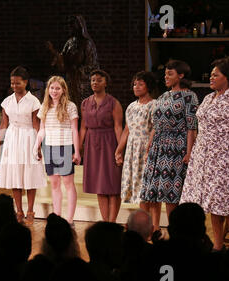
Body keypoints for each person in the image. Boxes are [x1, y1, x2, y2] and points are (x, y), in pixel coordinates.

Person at [181, 57, 229, 250]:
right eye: (212, 74)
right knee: (214, 204)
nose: (212, 77)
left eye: (216, 74)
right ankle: (217, 246)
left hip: (225, 157)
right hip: (204, 157)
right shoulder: (208, 98)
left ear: (228, 77)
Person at [140, 60, 198, 234]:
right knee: (151, 190)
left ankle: (175, 232)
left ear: (181, 75)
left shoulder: (189, 96)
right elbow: (156, 125)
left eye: (170, 74)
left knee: (171, 192)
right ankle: (152, 229)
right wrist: (149, 146)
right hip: (158, 145)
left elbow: (191, 127)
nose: (166, 77)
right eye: (165, 74)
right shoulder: (163, 96)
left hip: (176, 147)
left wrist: (189, 152)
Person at [0, 66, 46, 224]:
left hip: (28, 136)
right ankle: (19, 211)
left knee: (29, 174)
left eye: (18, 83)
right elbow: (4, 124)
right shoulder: (7, 101)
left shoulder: (33, 101)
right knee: (15, 174)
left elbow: (36, 124)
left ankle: (30, 210)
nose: (14, 86)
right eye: (12, 83)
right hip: (12, 137)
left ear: (25, 82)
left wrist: (38, 144)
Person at [33, 76, 81, 226]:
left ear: (63, 90)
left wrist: (77, 151)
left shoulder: (70, 106)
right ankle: (57, 218)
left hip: (65, 146)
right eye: (52, 88)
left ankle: (70, 219)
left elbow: (74, 130)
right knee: (54, 184)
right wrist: (36, 146)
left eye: (57, 88)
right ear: (48, 89)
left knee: (68, 183)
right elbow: (42, 130)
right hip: (50, 147)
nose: (54, 91)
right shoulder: (45, 107)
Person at [80, 70, 123, 222]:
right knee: (99, 185)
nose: (95, 83)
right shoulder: (85, 103)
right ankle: (105, 221)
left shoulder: (113, 103)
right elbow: (83, 127)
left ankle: (112, 221)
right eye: (92, 80)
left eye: (99, 80)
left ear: (106, 83)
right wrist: (79, 149)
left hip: (109, 142)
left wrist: (120, 150)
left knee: (112, 185)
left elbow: (119, 127)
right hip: (92, 143)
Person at [115, 71, 157, 212]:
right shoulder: (131, 107)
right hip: (132, 150)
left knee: (148, 188)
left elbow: (155, 129)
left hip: (146, 147)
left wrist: (149, 150)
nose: (136, 87)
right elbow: (127, 130)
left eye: (140, 84)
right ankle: (143, 220)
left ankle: (154, 225)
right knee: (139, 188)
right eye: (134, 84)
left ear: (148, 86)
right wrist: (119, 150)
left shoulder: (154, 105)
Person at [46, 14, 100, 108]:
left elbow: (92, 65)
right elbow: (62, 60)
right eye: (69, 25)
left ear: (79, 26)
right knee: (71, 107)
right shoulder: (70, 42)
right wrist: (53, 52)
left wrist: (78, 70)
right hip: (70, 80)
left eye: (73, 24)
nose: (70, 27)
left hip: (82, 83)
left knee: (84, 107)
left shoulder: (87, 44)